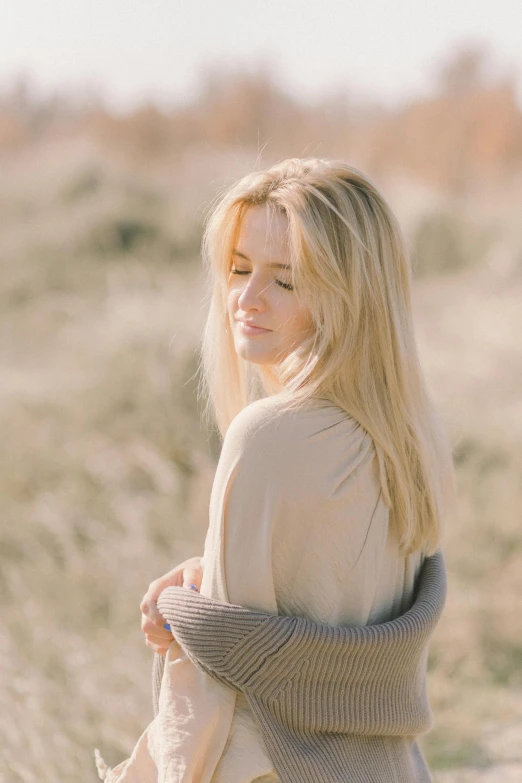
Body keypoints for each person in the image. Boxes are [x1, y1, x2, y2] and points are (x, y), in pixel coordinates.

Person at [97, 157, 455, 782]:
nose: (247, 298)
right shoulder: (409, 436)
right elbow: (334, 610)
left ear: (351, 295)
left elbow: (221, 688)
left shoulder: (267, 437)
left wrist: (191, 620)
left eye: (285, 281)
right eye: (239, 269)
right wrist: (205, 582)